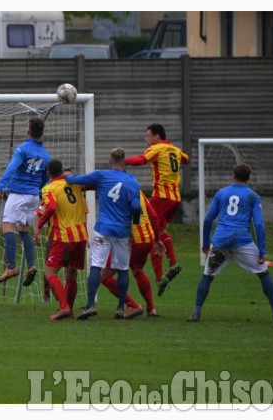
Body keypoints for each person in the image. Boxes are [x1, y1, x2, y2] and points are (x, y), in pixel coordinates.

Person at [187, 163, 273, 324]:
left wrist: (205, 243)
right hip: (241, 241)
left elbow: (208, 219)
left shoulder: (221, 193)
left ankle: (196, 314)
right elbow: (259, 225)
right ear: (249, 177)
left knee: (207, 275)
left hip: (220, 241)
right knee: (263, 272)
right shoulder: (252, 196)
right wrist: (262, 251)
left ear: (233, 175)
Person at [65, 147, 141, 320]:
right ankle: (120, 308)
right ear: (125, 161)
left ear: (110, 161)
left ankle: (91, 305)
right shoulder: (132, 181)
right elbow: (136, 207)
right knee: (122, 269)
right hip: (122, 231)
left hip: (102, 229)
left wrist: (62, 178)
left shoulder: (101, 175)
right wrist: (135, 221)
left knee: (96, 266)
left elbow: (78, 179)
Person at [124, 123, 190, 296]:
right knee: (159, 230)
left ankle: (161, 275)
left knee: (153, 234)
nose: (146, 140)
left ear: (157, 136)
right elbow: (187, 159)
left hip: (161, 196)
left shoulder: (157, 149)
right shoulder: (174, 149)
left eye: (148, 136)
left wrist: (122, 161)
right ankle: (172, 263)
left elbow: (141, 160)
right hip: (175, 197)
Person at [0, 116, 51, 286]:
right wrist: (36, 189)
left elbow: (12, 167)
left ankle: (11, 267)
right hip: (34, 196)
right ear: (42, 133)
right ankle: (32, 265)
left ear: (28, 132)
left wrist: (0, 185)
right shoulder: (46, 155)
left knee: (7, 227)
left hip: (18, 194)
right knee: (24, 230)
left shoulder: (22, 149)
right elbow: (43, 178)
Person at [33, 159, 90, 321]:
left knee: (50, 271)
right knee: (71, 274)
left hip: (63, 236)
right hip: (80, 237)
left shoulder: (49, 188)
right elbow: (43, 208)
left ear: (48, 173)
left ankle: (63, 307)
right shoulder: (76, 185)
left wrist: (38, 227)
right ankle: (69, 310)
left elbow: (50, 207)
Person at [99, 190, 166, 318]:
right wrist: (157, 239)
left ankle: (133, 306)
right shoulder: (137, 191)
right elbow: (153, 215)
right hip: (147, 239)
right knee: (138, 271)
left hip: (132, 240)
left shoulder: (117, 193)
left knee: (103, 276)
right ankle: (151, 309)